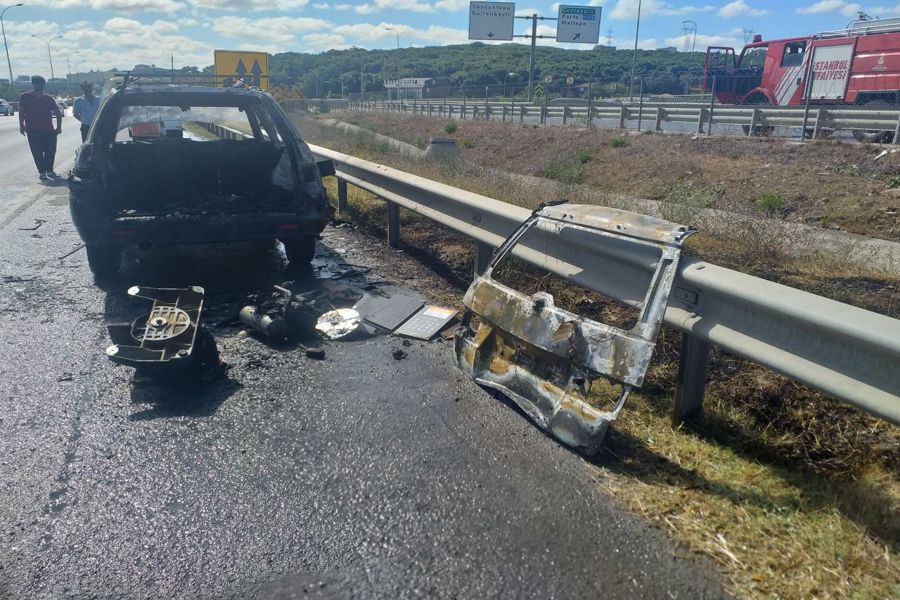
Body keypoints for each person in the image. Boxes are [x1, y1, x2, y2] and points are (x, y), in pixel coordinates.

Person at [18, 75, 63, 181]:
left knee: (50, 151)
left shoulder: (48, 98)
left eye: (42, 84)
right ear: (33, 84)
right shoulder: (25, 96)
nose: (40, 86)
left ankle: (50, 171)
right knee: (37, 152)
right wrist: (21, 125)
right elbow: (21, 112)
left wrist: (59, 127)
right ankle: (42, 172)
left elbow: (57, 112)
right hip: (33, 130)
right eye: (37, 83)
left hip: (48, 129)